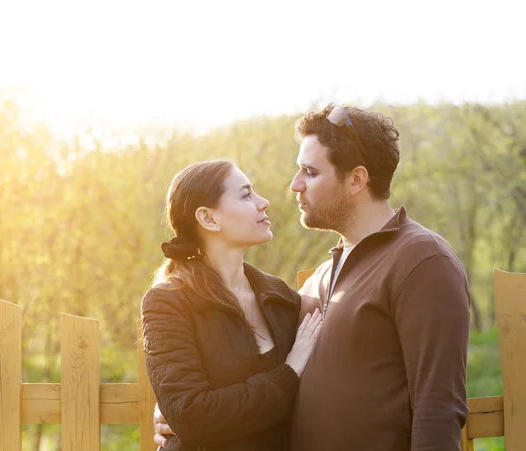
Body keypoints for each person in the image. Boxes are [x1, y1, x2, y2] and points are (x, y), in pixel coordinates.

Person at [153, 105, 471, 451]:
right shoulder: (315, 282)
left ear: (356, 179)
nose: (294, 186)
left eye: (310, 172)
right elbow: (253, 374)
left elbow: (438, 408)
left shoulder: (421, 260)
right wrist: (179, 413)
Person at [141, 158, 323, 451]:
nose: (263, 203)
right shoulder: (167, 303)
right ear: (209, 218)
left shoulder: (281, 296)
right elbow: (193, 416)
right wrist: (290, 370)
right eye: (246, 194)